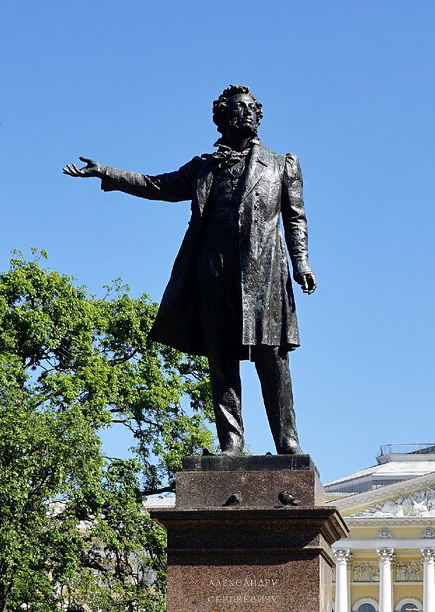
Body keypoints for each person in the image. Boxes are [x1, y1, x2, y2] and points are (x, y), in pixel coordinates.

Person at [64, 84, 315, 455]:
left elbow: (295, 217)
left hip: (265, 271)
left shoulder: (282, 164)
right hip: (213, 271)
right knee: (221, 358)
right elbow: (156, 185)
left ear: (259, 116)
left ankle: (288, 442)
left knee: (272, 359)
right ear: (221, 118)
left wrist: (302, 261)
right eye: (236, 109)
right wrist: (108, 173)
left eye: (250, 108)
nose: (245, 113)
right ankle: (231, 442)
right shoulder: (203, 168)